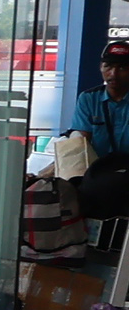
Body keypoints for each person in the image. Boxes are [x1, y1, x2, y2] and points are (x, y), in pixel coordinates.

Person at [66, 39, 129, 217]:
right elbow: (80, 144)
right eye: (108, 66)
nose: (113, 74)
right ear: (101, 67)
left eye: (122, 68)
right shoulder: (88, 99)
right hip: (98, 171)